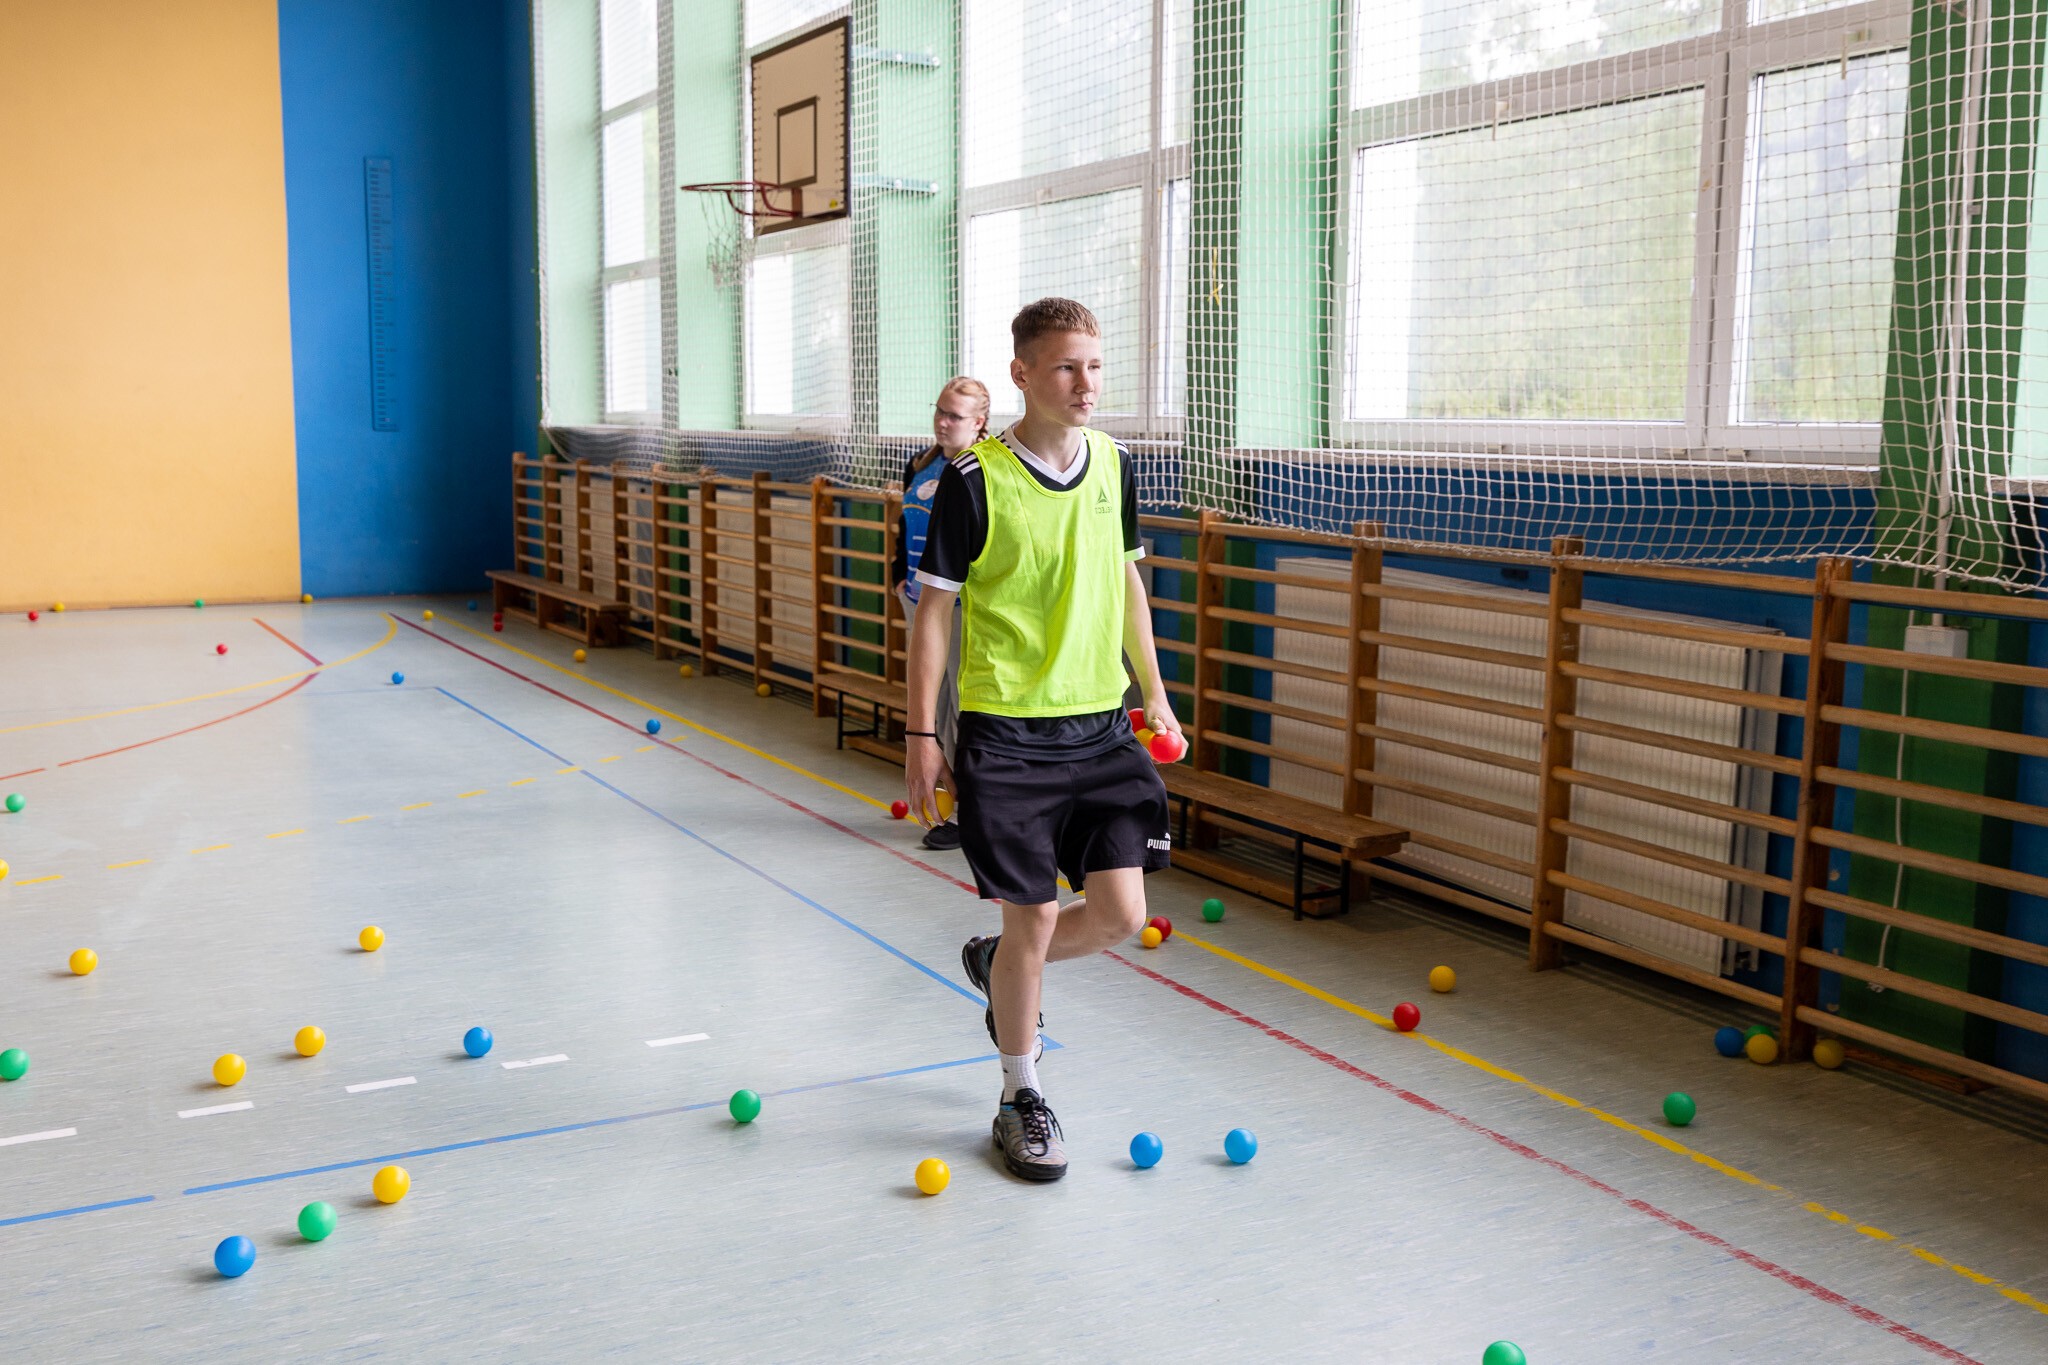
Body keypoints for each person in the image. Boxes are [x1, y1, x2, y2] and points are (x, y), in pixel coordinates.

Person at [904, 297, 1182, 1183]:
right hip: (1007, 735)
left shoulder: (1115, 464)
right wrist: (923, 733)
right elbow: (935, 612)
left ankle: (997, 967)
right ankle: (1019, 1093)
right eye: (1066, 366)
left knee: (1122, 914)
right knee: (1030, 917)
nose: (1086, 383)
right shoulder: (974, 479)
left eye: (1094, 365)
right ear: (1022, 374)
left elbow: (1129, 583)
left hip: (1102, 726)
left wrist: (1155, 693)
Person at [890, 377, 989, 852]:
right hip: (917, 599)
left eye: (955, 415)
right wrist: (898, 576)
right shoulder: (921, 464)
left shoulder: (980, 471)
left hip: (959, 608)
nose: (943, 422)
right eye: (940, 411)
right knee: (932, 706)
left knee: (959, 712)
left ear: (979, 421)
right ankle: (944, 805)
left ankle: (971, 813)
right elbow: (903, 524)